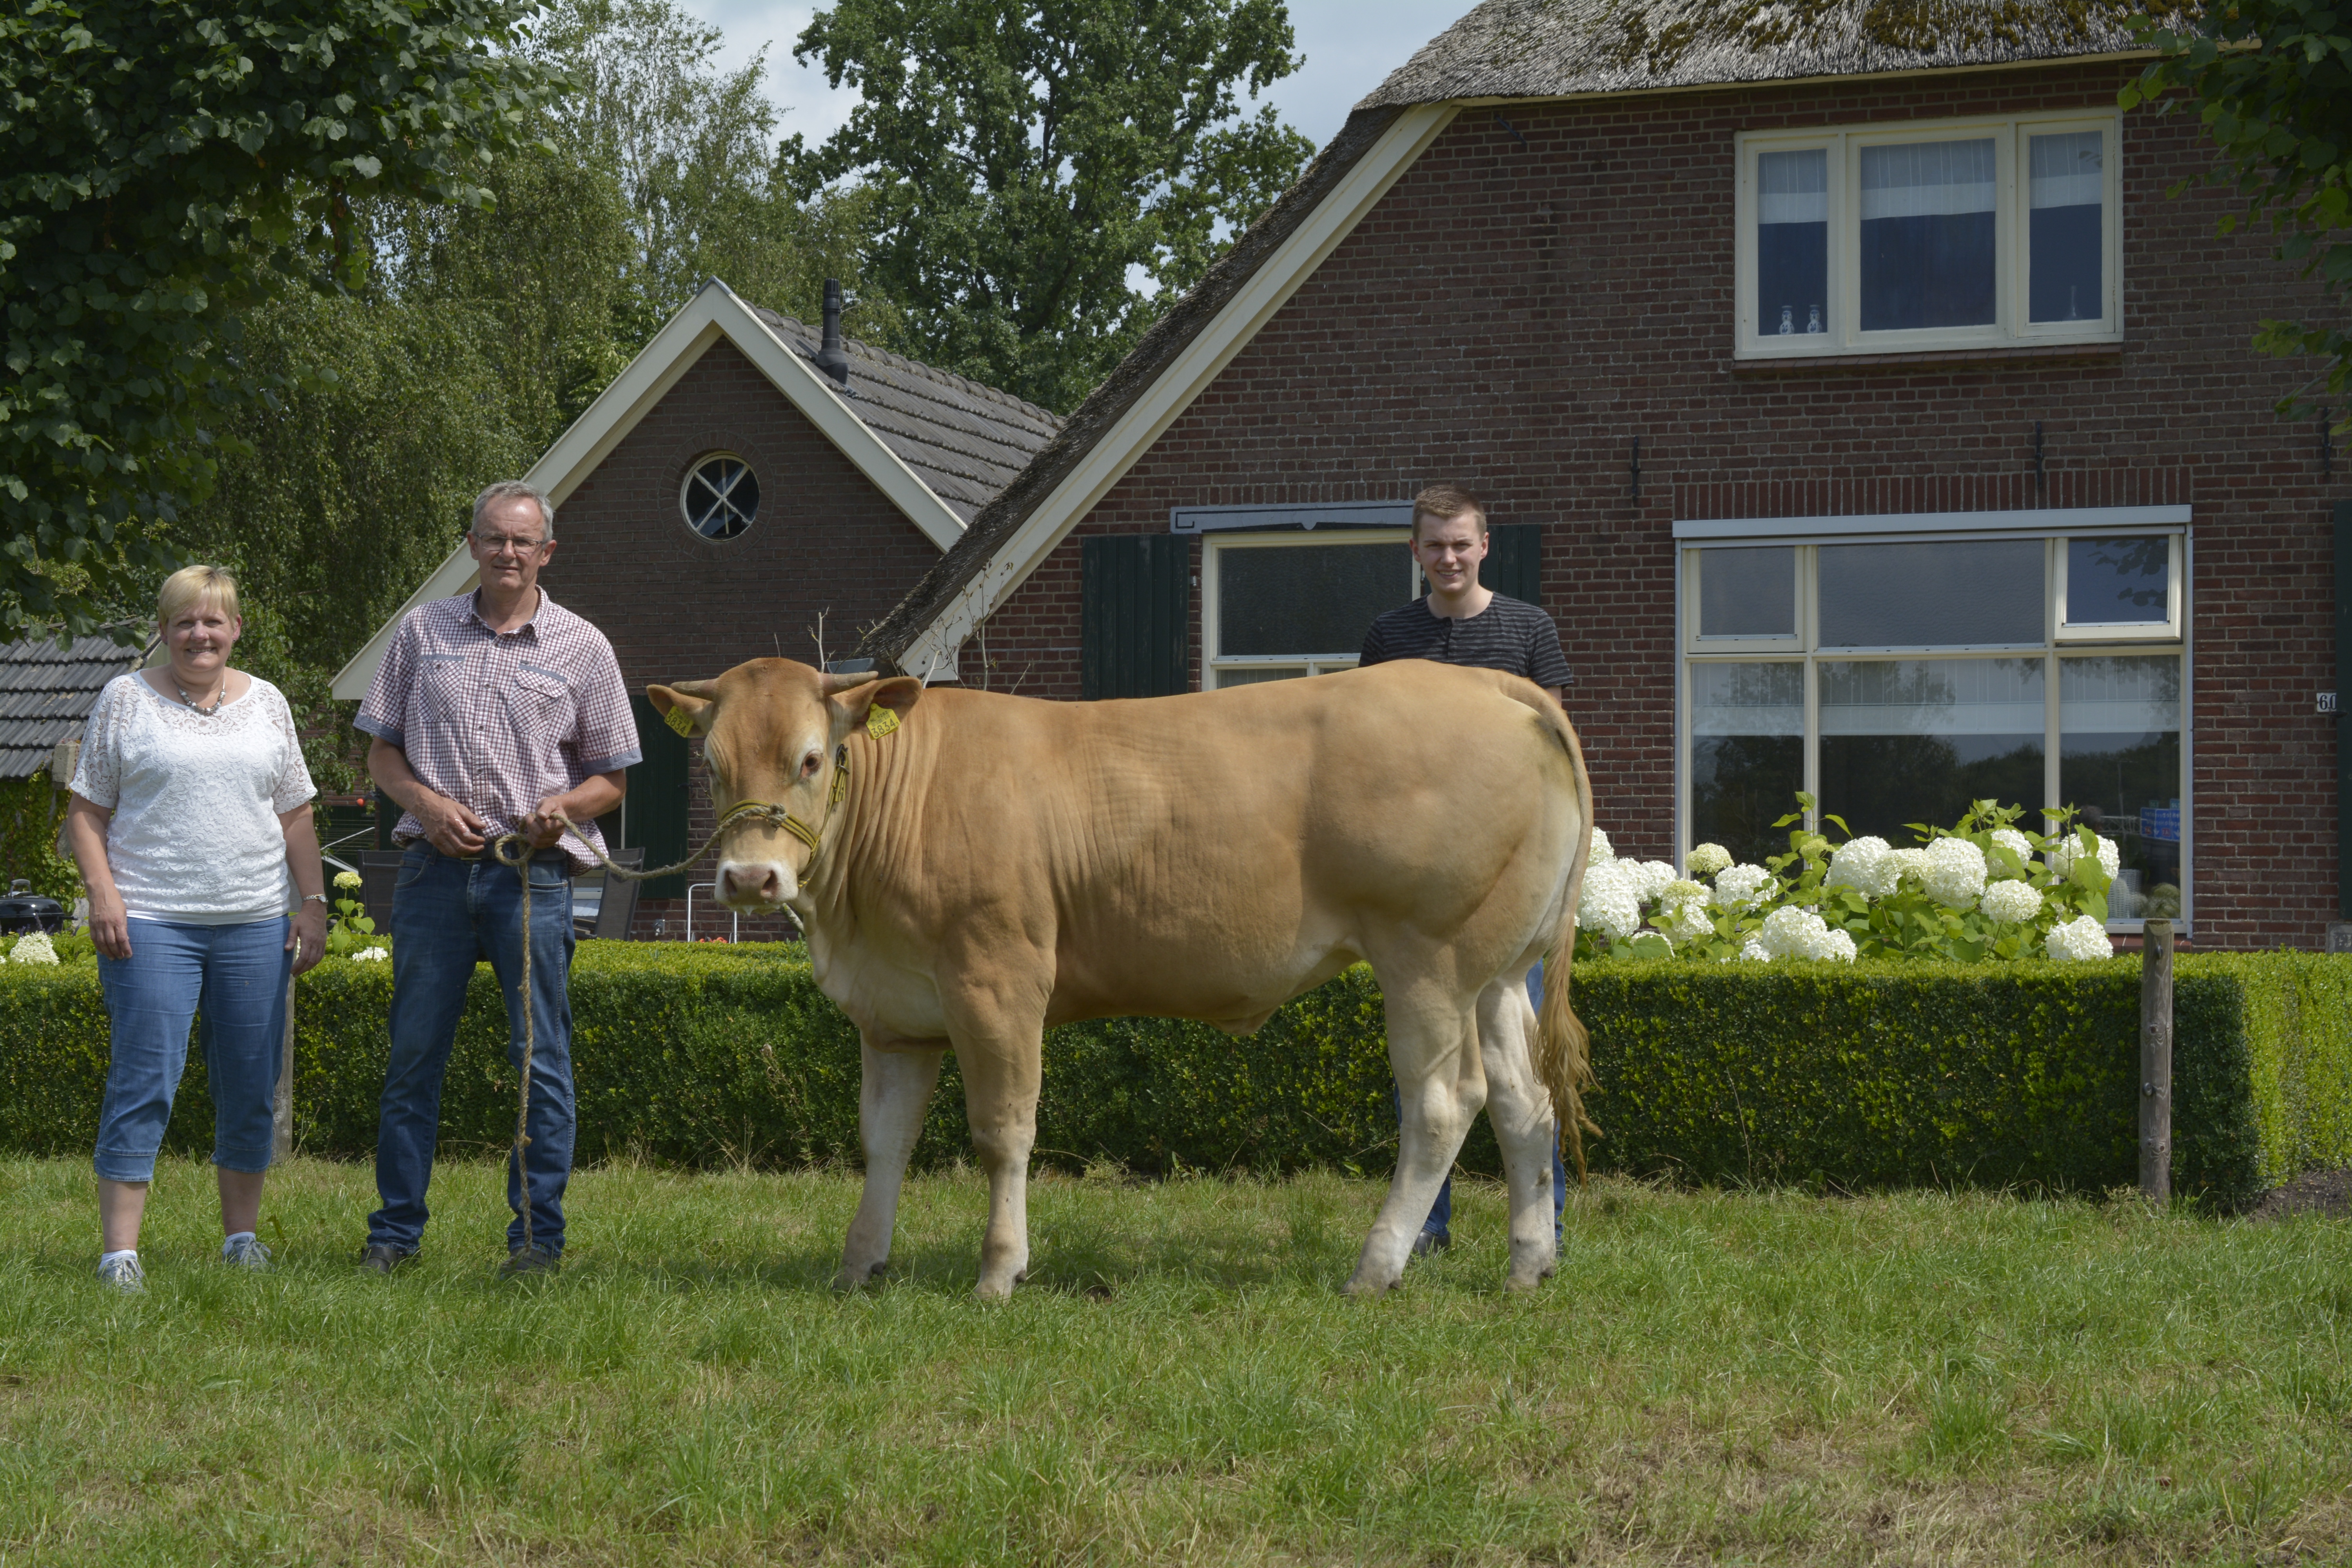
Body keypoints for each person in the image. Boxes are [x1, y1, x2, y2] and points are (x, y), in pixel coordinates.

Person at [354, 480, 639, 1278]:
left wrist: (563, 808)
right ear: (473, 545)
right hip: (432, 875)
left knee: (539, 1061)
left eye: (523, 541)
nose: (507, 552)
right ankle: (394, 1236)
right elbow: (381, 752)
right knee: (414, 1058)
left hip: (532, 877)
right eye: (494, 538)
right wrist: (425, 804)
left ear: (547, 552)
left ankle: (537, 1242)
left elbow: (613, 778)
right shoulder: (422, 632)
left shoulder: (584, 647)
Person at [66, 565, 329, 1292]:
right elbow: (87, 811)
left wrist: (313, 902)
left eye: (213, 621)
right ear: (164, 630)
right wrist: (103, 895)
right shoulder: (125, 699)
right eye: (184, 621)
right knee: (145, 1080)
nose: (199, 634)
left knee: (249, 1086)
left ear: (236, 628)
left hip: (254, 923)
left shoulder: (268, 703)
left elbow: (296, 815)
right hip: (150, 921)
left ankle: (241, 1240)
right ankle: (120, 1256)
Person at [1359, 484, 1576, 1258]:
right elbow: (1369, 753)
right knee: (1425, 1050)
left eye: (1461, 544)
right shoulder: (1390, 635)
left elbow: (1554, 750)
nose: (1449, 557)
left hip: (1507, 872)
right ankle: (1429, 1226)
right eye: (1435, 545)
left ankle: (1546, 1223)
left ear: (1485, 546)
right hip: (1420, 878)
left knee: (1524, 1044)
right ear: (1415, 552)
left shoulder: (1529, 628)